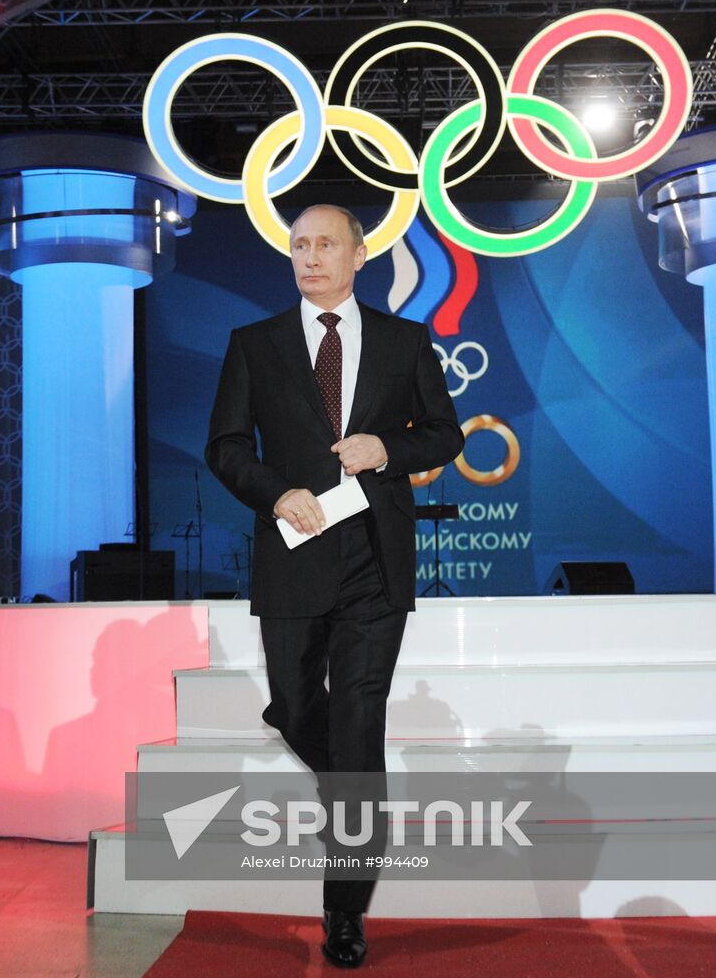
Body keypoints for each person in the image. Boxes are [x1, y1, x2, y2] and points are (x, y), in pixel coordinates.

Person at [205, 204, 463, 967]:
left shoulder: (403, 340)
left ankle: (345, 910)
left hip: (375, 559)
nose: (310, 256)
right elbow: (225, 445)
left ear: (358, 255)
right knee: (292, 707)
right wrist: (275, 491)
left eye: (324, 244)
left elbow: (445, 433)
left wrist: (386, 447)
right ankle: (353, 786)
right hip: (293, 550)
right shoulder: (253, 343)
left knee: (358, 723)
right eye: (299, 245)